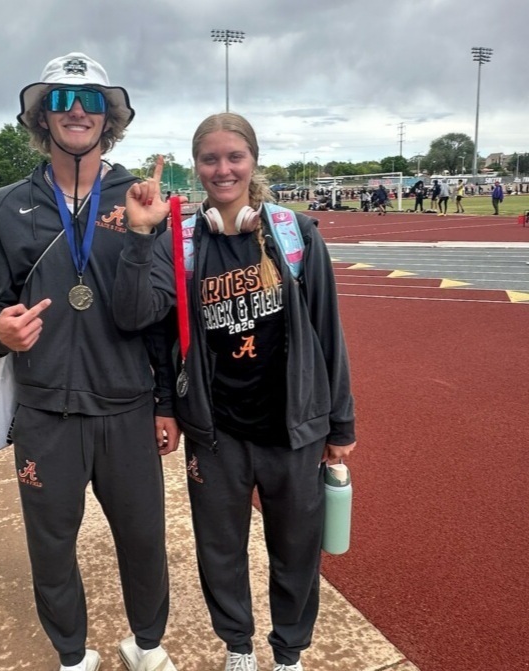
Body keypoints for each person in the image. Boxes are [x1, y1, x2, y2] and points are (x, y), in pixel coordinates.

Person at [112, 112, 357, 671]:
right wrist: (142, 234)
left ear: (253, 161)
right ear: (194, 166)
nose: (222, 169)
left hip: (292, 428)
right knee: (219, 552)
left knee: (296, 551)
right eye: (209, 159)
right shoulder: (185, 242)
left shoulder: (294, 235)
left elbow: (327, 331)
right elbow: (147, 327)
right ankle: (239, 649)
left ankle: (289, 654)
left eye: (234, 157)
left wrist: (341, 426)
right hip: (215, 432)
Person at [0, 52, 179, 671]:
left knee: (144, 543)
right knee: (51, 548)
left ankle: (144, 645)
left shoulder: (139, 195)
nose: (76, 110)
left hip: (127, 409)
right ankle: (72, 656)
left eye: (90, 100)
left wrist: (166, 402)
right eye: (60, 99)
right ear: (42, 116)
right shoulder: (9, 203)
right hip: (45, 414)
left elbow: (157, 319)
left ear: (109, 117)